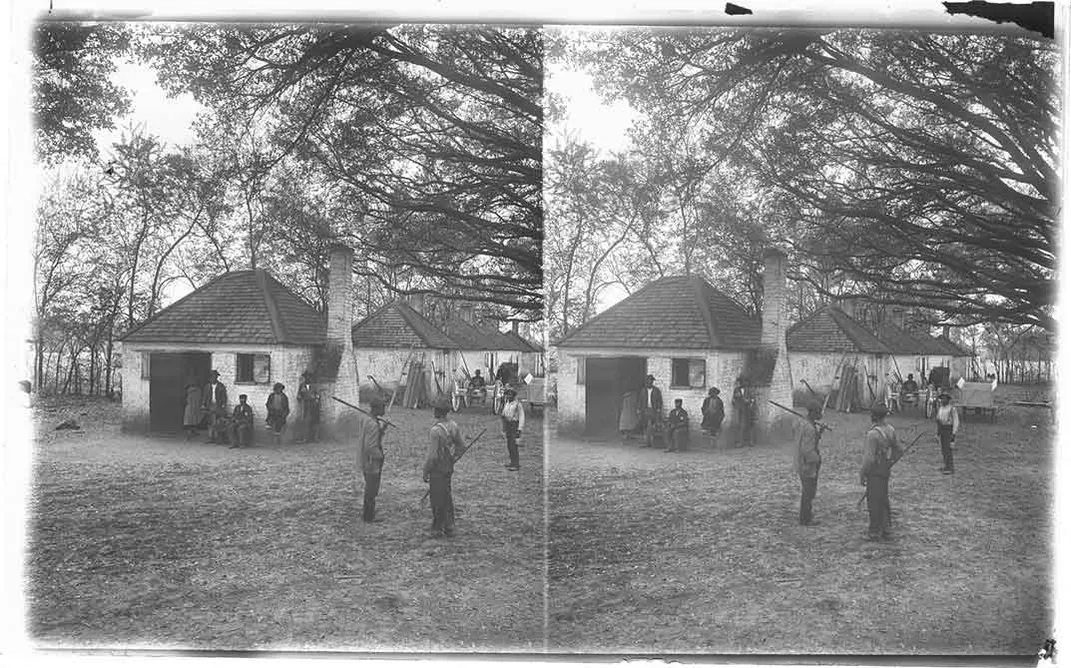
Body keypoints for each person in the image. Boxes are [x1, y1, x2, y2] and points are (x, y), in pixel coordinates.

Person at [423, 401, 466, 537]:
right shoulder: (453, 426)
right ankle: (450, 526)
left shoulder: (435, 431)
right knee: (446, 495)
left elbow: (432, 456)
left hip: (437, 468)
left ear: (437, 412)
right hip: (448, 466)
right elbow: (461, 446)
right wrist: (454, 457)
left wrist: (425, 470)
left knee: (436, 498)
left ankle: (437, 528)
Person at [860, 404, 902, 541]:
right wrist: (890, 462)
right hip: (885, 468)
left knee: (873, 501)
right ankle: (886, 529)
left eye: (871, 414)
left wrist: (862, 473)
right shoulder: (890, 430)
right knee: (883, 498)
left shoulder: (872, 434)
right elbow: (898, 449)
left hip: (874, 470)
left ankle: (874, 531)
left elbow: (869, 458)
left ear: (874, 416)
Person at [358, 397, 388, 523]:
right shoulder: (371, 423)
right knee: (371, 489)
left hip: (368, 459)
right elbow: (370, 446)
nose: (384, 410)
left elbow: (374, 438)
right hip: (372, 461)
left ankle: (369, 513)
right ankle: (369, 516)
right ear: (376, 409)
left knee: (371, 488)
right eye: (382, 407)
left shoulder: (370, 421)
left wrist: (382, 429)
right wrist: (380, 456)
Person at [795, 406, 824, 526]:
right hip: (808, 464)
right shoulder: (809, 428)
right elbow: (807, 449)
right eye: (818, 412)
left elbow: (809, 441)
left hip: (801, 461)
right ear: (812, 413)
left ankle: (806, 516)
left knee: (808, 490)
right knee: (808, 491)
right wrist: (816, 460)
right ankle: (805, 519)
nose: (820, 414)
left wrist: (819, 433)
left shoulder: (805, 424)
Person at [500, 386, 525, 471]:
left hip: (514, 425)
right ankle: (512, 462)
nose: (508, 396)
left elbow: (522, 417)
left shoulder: (518, 404)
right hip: (508, 425)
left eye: (510, 394)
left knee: (513, 445)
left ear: (514, 395)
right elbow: (503, 416)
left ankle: (516, 464)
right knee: (509, 446)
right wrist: (503, 429)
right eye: (507, 394)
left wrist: (519, 429)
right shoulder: (507, 404)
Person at [935, 391, 960, 474]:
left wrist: (953, 434)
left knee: (948, 449)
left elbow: (956, 422)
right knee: (943, 449)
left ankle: (950, 468)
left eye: (944, 398)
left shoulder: (952, 409)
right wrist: (938, 432)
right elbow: (938, 419)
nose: (943, 400)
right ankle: (946, 466)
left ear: (948, 399)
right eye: (942, 398)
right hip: (942, 429)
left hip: (949, 430)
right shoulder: (941, 408)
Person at [637, 374, 663, 448]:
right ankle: (646, 442)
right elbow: (640, 400)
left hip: (653, 410)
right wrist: (639, 409)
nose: (650, 383)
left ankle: (652, 442)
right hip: (645, 410)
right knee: (645, 426)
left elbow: (659, 401)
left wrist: (658, 409)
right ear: (646, 382)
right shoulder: (643, 391)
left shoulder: (656, 391)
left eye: (651, 381)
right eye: (648, 381)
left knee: (652, 426)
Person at [202, 370, 229, 444]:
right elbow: (205, 396)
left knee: (217, 422)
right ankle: (210, 437)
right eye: (212, 377)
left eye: (215, 377)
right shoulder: (207, 386)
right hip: (209, 405)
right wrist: (203, 404)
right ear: (210, 378)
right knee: (210, 422)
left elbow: (224, 396)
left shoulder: (221, 386)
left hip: (218, 405)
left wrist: (223, 404)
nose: (214, 378)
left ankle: (217, 438)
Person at [731, 376, 756, 447]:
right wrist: (736, 402)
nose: (737, 384)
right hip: (741, 410)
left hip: (749, 410)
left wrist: (749, 401)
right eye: (737, 383)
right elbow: (734, 400)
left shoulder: (749, 390)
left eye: (739, 383)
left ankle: (750, 442)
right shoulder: (736, 390)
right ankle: (740, 442)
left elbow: (753, 399)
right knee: (740, 426)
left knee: (750, 425)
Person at [296, 371, 320, 443]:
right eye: (306, 377)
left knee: (315, 421)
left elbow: (318, 394)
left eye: (309, 377)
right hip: (306, 404)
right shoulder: (302, 386)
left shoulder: (314, 386)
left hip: (314, 405)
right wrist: (299, 397)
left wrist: (316, 399)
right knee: (306, 421)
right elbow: (299, 394)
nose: (307, 379)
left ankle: (315, 438)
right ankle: (305, 438)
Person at [182, 374, 203, 440]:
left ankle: (191, 433)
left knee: (190, 421)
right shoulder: (198, 391)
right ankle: (191, 433)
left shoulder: (191, 391)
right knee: (192, 420)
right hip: (194, 406)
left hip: (191, 406)